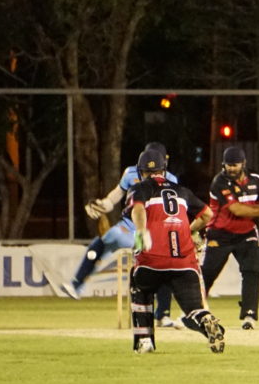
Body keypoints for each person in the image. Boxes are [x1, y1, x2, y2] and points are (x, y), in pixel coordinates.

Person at [64, 141, 181, 329]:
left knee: (162, 266)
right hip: (128, 225)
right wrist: (101, 205)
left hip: (153, 229)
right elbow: (115, 197)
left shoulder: (172, 180)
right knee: (104, 241)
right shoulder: (130, 173)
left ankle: (162, 314)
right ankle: (77, 285)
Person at [128, 148, 225, 354]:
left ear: (141, 171)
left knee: (140, 286)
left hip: (152, 260)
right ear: (164, 169)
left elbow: (137, 209)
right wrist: (189, 232)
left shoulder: (141, 188)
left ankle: (144, 340)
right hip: (184, 262)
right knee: (192, 308)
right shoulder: (182, 191)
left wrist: (142, 231)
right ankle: (204, 318)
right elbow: (207, 214)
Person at [201, 146, 259, 330]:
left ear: (243, 164)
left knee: (255, 265)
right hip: (219, 234)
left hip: (246, 234)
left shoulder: (256, 181)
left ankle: (249, 314)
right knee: (208, 273)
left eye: (234, 165)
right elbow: (236, 209)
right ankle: (192, 310)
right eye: (228, 165)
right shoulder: (219, 182)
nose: (230, 168)